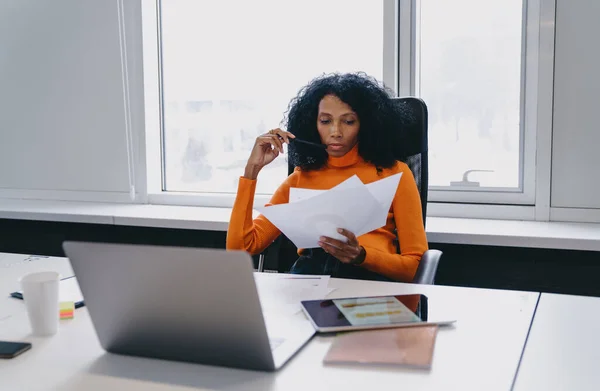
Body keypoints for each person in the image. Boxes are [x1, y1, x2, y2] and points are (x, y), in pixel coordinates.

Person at [226, 72, 428, 282]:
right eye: (325, 121)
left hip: (367, 281)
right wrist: (252, 171)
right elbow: (241, 247)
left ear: (365, 125)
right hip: (308, 282)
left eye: (348, 121)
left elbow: (415, 267)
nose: (336, 132)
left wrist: (362, 256)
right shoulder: (300, 178)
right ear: (313, 124)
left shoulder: (395, 173)